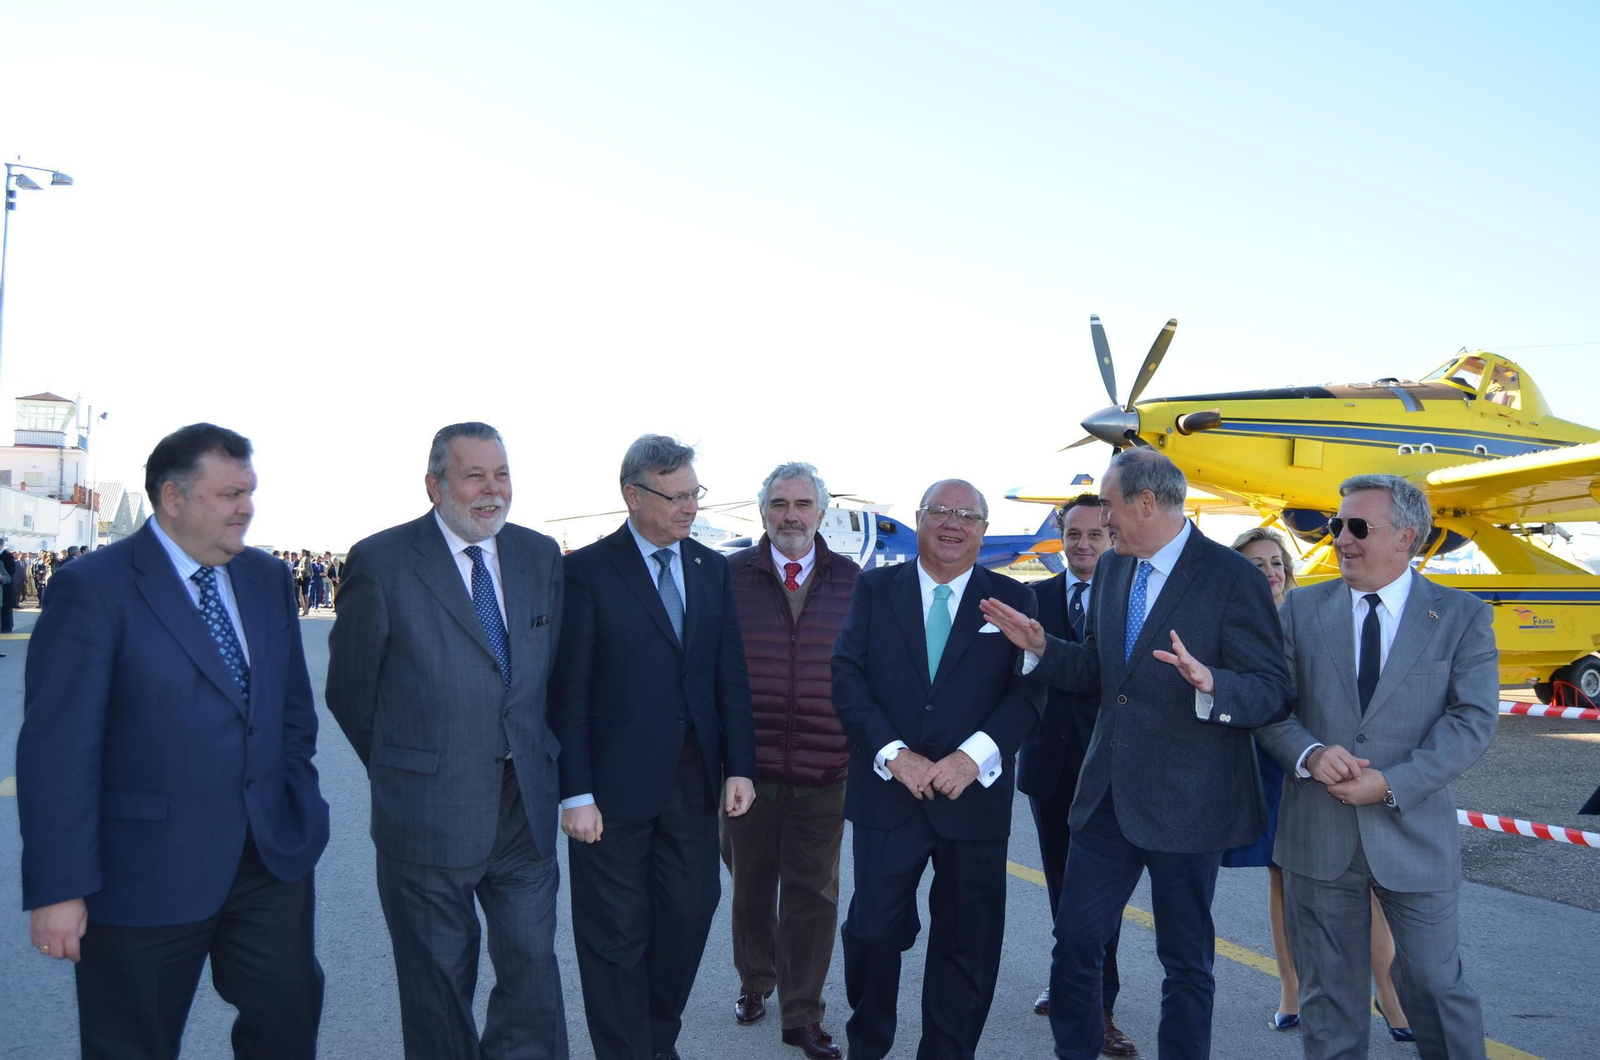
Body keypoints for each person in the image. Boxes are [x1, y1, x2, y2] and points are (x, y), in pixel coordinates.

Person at [18, 422, 330, 1059]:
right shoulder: (94, 588)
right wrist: (58, 886)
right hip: (143, 872)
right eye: (230, 494)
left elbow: (291, 714)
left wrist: (300, 799)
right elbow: (58, 750)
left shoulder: (267, 579)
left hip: (265, 857)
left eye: (250, 491)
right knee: (132, 1042)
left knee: (288, 1013)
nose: (247, 506)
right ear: (172, 498)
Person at [979, 449, 1291, 1060]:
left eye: (1111, 505)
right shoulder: (1117, 571)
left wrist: (1213, 684)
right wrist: (1043, 645)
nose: (1104, 520)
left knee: (1185, 960)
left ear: (1146, 503)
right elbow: (1098, 669)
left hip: (1189, 803)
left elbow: (1274, 690)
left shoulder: (1232, 578)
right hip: (1107, 798)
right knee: (1075, 939)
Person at [326, 421, 569, 1060]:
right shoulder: (381, 562)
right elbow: (351, 691)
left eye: (502, 474)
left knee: (532, 969)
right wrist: (409, 768)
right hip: (427, 813)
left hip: (524, 804)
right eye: (474, 476)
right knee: (437, 984)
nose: (492, 491)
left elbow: (553, 676)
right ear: (434, 486)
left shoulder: (539, 556)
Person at [1256, 474, 1498, 1059]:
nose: (1341, 538)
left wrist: (1391, 783)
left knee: (1438, 989)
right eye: (1337, 525)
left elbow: (1472, 721)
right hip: (1318, 837)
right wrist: (1310, 754)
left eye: (1357, 526)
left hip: (1414, 835)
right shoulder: (1301, 609)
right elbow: (1269, 708)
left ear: (1406, 538)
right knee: (1329, 999)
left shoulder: (1462, 616)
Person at [551, 434, 756, 1060]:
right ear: (632, 495)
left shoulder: (708, 567)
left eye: (696, 493)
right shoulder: (585, 571)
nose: (690, 507)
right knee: (614, 932)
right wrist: (574, 791)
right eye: (677, 496)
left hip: (693, 780)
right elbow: (569, 690)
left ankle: (654, 1036)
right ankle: (627, 1051)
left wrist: (739, 767)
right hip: (610, 789)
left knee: (692, 910)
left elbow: (730, 674)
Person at [832, 479, 1046, 1060]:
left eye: (967, 516)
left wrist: (970, 758)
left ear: (982, 529)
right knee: (872, 932)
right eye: (941, 512)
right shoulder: (875, 589)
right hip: (888, 795)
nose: (953, 524)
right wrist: (895, 756)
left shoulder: (1015, 599)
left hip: (971, 801)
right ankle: (868, 1044)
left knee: (966, 945)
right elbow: (847, 677)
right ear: (920, 518)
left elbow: (1028, 694)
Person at [721, 462, 859, 1060]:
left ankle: (802, 1014)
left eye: (802, 504)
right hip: (746, 773)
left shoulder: (854, 582)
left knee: (813, 895)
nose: (791, 516)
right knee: (751, 886)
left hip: (825, 770)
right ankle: (756, 980)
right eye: (779, 504)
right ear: (763, 513)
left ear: (822, 513)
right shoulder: (727, 579)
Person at [1015, 495, 1136, 1055]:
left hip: (1108, 770)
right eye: (1073, 535)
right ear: (1060, 538)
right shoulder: (1031, 598)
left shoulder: (1131, 598)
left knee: (1098, 897)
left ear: (1112, 538)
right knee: (1064, 889)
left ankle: (1099, 1006)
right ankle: (1070, 984)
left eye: (1095, 535)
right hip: (1050, 767)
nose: (1083, 544)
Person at [0, 537, 16, 634]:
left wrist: (2, 579)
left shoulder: (8, 556)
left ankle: (7, 626)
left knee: (6, 608)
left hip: (6, 586)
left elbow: (11, 573)